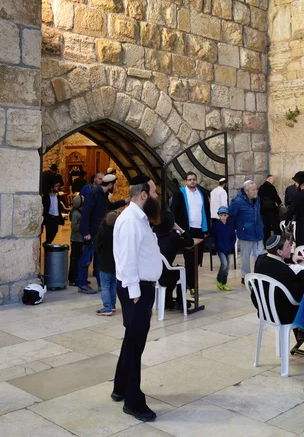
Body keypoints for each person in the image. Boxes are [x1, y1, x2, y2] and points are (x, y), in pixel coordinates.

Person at [112, 174, 162, 422]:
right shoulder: (131, 220)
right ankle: (133, 401)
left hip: (139, 288)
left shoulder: (138, 218)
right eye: (153, 193)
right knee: (135, 345)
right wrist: (134, 293)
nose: (156, 197)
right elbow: (127, 258)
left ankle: (120, 387)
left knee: (131, 340)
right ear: (143, 194)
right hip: (137, 290)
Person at [78, 174, 129, 294]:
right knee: (86, 259)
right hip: (91, 233)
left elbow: (108, 206)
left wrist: (124, 201)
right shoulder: (94, 193)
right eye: (114, 185)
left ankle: (102, 284)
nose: (115, 187)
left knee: (99, 259)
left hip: (99, 232)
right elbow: (86, 213)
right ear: (110, 185)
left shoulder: (103, 194)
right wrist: (86, 232)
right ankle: (82, 284)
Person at [251, 235, 304, 325]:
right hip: (282, 315)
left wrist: (291, 257)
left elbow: (274, 259)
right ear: (279, 251)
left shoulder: (260, 259)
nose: (291, 248)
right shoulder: (283, 271)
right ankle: (303, 332)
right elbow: (297, 294)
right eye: (288, 246)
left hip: (264, 309)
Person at [170, 171, 210, 294]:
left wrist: (207, 228)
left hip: (199, 229)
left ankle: (190, 282)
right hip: (187, 230)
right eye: (190, 179)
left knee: (197, 259)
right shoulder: (180, 194)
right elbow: (174, 211)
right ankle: (191, 285)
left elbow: (207, 211)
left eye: (194, 179)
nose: (192, 181)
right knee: (190, 259)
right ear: (185, 181)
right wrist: (177, 229)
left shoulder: (202, 193)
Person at [153, 211, 194, 310]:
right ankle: (180, 301)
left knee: (172, 269)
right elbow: (190, 242)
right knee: (181, 270)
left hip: (155, 273)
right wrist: (181, 230)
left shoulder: (154, 236)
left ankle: (168, 300)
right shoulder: (173, 237)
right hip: (167, 275)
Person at [229, 180, 264, 284]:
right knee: (245, 257)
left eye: (256, 189)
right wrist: (240, 228)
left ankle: (259, 275)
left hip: (258, 231)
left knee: (259, 255)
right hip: (246, 233)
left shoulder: (257, 199)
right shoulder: (237, 201)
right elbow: (231, 216)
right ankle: (245, 276)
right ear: (246, 191)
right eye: (253, 190)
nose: (256, 191)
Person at [94, 210, 118, 316]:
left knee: (105, 287)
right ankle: (112, 305)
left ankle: (107, 307)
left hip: (104, 263)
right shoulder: (118, 231)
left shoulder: (103, 231)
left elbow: (97, 247)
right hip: (116, 263)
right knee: (113, 285)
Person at [211, 206, 236, 291]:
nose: (223, 217)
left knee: (227, 267)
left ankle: (223, 283)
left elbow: (233, 237)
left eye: (225, 215)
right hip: (220, 249)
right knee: (224, 264)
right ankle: (218, 279)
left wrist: (231, 245)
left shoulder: (230, 225)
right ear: (219, 215)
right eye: (221, 215)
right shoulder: (216, 225)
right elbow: (211, 234)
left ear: (227, 215)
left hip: (228, 249)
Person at [258, 174, 282, 246]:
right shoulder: (271, 187)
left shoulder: (261, 188)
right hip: (272, 210)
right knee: (276, 227)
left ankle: (266, 243)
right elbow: (275, 196)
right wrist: (279, 203)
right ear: (268, 179)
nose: (274, 182)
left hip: (263, 211)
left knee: (266, 227)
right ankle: (278, 242)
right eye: (273, 180)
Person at [42, 179, 64, 245]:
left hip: (56, 217)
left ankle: (46, 244)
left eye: (57, 186)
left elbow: (58, 207)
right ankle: (47, 245)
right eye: (56, 186)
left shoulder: (58, 196)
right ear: (52, 188)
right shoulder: (46, 197)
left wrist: (60, 218)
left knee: (55, 231)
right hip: (49, 217)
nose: (57, 188)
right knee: (49, 233)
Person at [68, 194, 84, 286]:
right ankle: (73, 278)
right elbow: (74, 227)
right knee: (75, 259)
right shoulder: (76, 213)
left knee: (78, 259)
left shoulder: (79, 212)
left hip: (79, 239)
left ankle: (77, 277)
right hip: (76, 240)